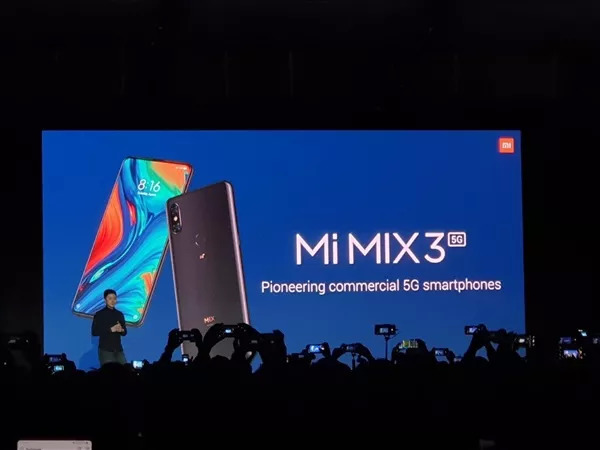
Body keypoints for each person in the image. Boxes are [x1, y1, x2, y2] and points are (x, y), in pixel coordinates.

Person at [92, 289, 128, 366]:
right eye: (110, 298)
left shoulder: (119, 314)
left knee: (125, 370)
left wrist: (121, 330)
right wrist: (111, 329)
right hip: (105, 350)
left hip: (118, 350)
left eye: (114, 298)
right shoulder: (99, 314)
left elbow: (124, 332)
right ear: (105, 299)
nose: (112, 301)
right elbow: (94, 332)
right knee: (108, 372)